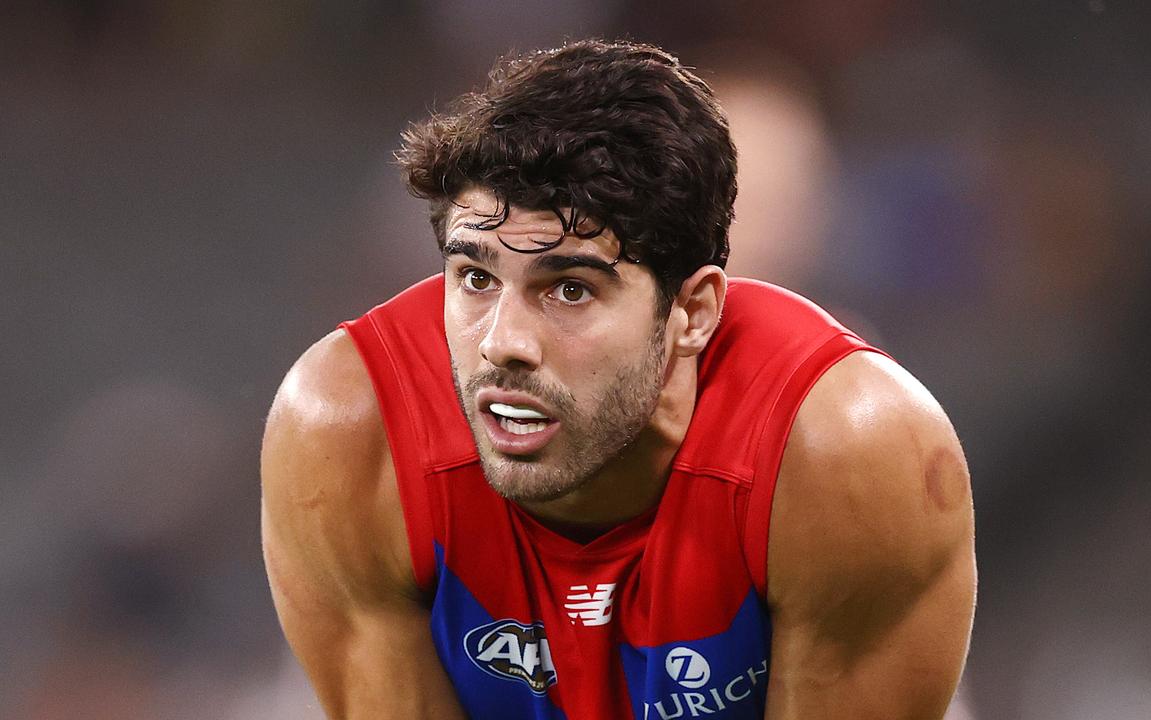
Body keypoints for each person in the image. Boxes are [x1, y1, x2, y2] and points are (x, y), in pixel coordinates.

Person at [261, 39, 975, 720]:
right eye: (475, 277)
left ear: (693, 311)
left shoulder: (845, 453)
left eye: (569, 289)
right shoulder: (354, 431)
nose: (503, 344)